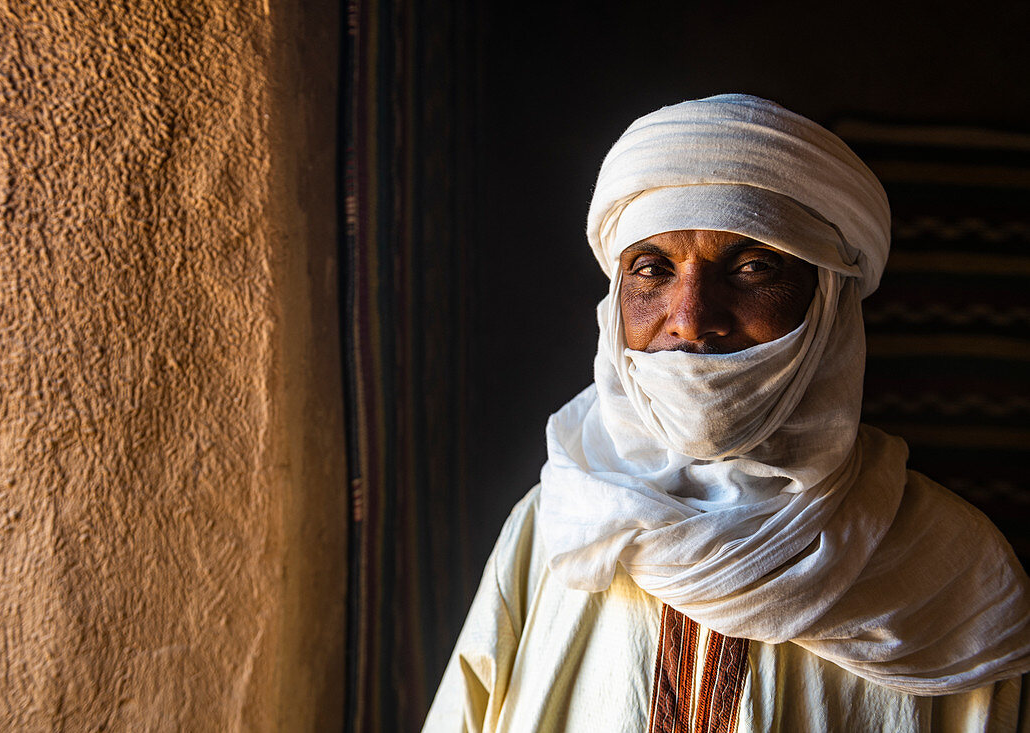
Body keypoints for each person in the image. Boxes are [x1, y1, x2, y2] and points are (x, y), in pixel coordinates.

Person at [422, 95, 1030, 732]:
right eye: (653, 269)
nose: (690, 318)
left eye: (752, 267)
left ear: (828, 308)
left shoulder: (954, 574)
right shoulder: (556, 527)